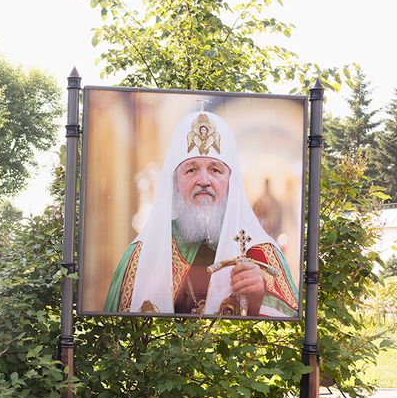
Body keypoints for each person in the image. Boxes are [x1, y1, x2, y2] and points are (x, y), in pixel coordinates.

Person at [103, 109, 299, 317]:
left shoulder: (261, 254)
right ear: (175, 184)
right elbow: (115, 336)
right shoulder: (141, 256)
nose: (204, 181)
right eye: (191, 170)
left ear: (231, 183)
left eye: (215, 170)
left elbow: (290, 335)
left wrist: (258, 296)